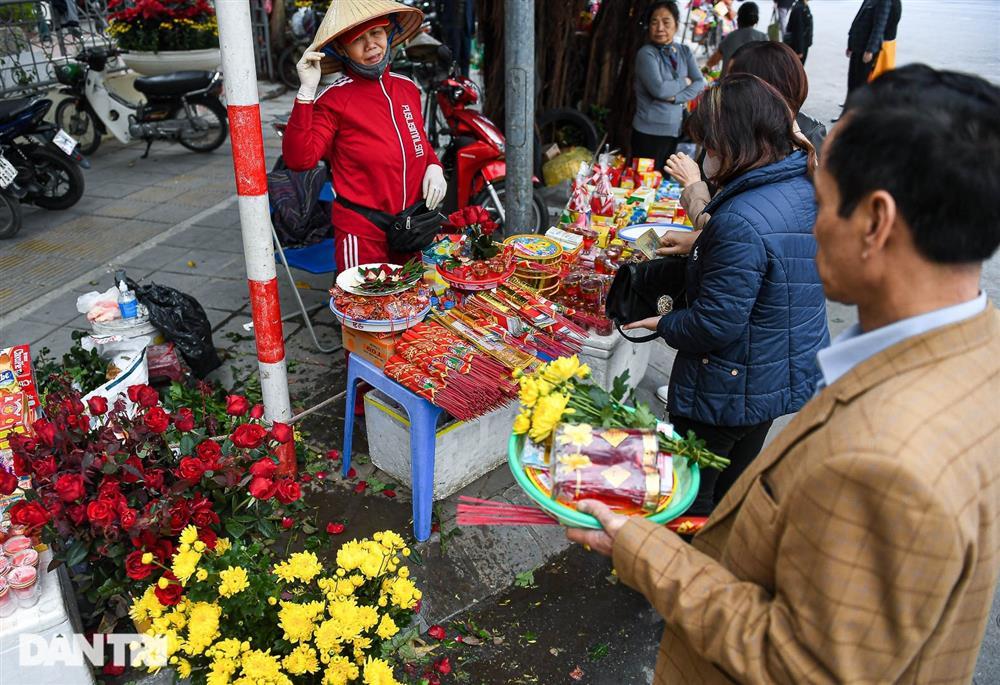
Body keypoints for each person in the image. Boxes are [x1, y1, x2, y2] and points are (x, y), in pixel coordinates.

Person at [570, 64, 1000, 685]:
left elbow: (798, 664)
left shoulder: (888, 465)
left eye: (822, 200)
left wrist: (640, 547)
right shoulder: (974, 354)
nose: (810, 219)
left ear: (876, 222)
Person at [626, 75, 829, 516]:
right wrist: (702, 241)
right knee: (731, 487)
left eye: (711, 145)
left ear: (739, 141)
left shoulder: (740, 217)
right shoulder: (802, 184)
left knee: (688, 496)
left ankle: (674, 574)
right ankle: (714, 556)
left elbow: (714, 324)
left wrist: (663, 323)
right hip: (773, 376)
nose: (706, 156)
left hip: (726, 387)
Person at [282, 0, 446, 273]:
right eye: (357, 39)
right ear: (342, 49)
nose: (370, 44)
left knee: (408, 309)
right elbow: (300, 160)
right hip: (362, 231)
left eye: (376, 33)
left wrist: (434, 165)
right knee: (362, 312)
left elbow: (418, 142)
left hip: (411, 227)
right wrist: (305, 93)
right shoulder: (333, 100)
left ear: (390, 34)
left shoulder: (407, 88)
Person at [659, 41, 826, 257]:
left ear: (759, 91)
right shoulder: (753, 139)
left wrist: (693, 188)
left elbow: (743, 232)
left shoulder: (787, 151)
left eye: (734, 80)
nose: (724, 87)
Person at [632, 1, 705, 172]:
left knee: (663, 186)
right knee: (643, 184)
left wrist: (677, 97)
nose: (660, 28)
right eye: (654, 22)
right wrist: (684, 81)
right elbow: (659, 89)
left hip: (673, 130)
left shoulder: (684, 51)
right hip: (648, 132)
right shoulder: (646, 53)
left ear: (676, 25)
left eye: (666, 22)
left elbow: (700, 82)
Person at [845, 0, 893, 96]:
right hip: (856, 46)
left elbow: (879, 27)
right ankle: (850, 106)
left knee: (861, 83)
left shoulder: (884, 2)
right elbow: (857, 21)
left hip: (866, 50)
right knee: (852, 81)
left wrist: (870, 50)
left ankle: (858, 108)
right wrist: (850, 45)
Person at [705, 2, 767, 74]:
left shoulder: (729, 38)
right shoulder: (763, 38)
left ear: (738, 19)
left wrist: (703, 71)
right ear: (756, 20)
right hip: (755, 83)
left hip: (728, 83)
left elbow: (711, 62)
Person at [869, 0, 902, 82]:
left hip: (882, 45)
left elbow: (880, 25)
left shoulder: (887, 2)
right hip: (889, 44)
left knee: (876, 77)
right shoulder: (896, 2)